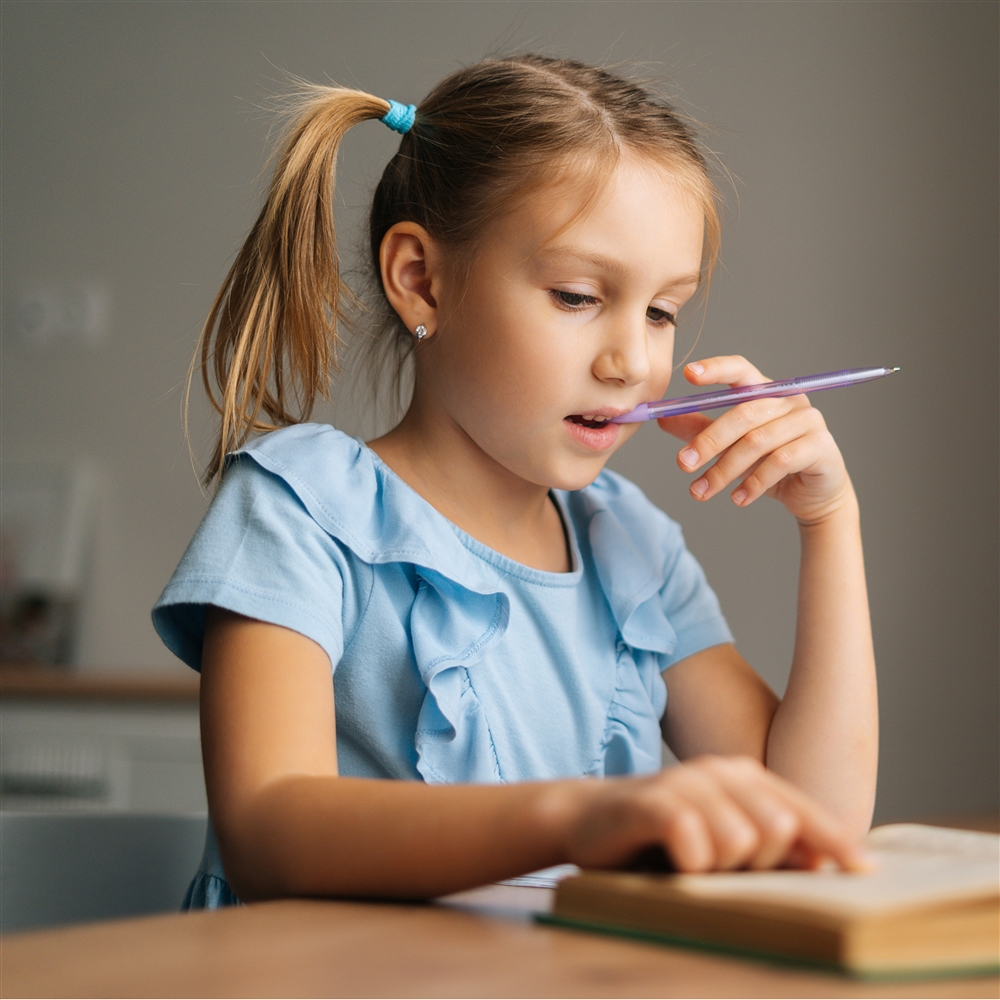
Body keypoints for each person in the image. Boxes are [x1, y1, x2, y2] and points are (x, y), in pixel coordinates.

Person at [153, 55, 878, 909]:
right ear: (420, 280)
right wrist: (579, 815)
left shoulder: (629, 545)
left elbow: (815, 818)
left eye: (661, 311)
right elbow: (271, 833)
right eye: (576, 296)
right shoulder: (300, 510)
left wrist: (830, 521)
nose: (632, 362)